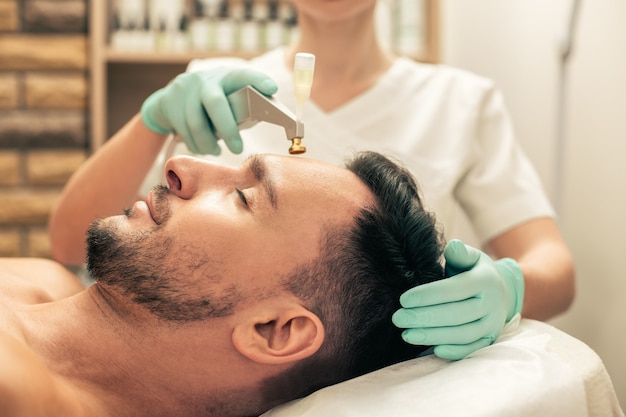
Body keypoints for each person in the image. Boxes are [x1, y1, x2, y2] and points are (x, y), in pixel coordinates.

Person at [48, 0, 575, 361]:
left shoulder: (460, 101)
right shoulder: (219, 83)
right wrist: (154, 120)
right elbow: (71, 243)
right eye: (243, 194)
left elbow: (555, 266)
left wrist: (509, 288)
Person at [2, 150, 446, 417]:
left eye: (242, 197)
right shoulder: (43, 281)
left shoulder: (15, 393)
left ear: (274, 330)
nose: (179, 166)